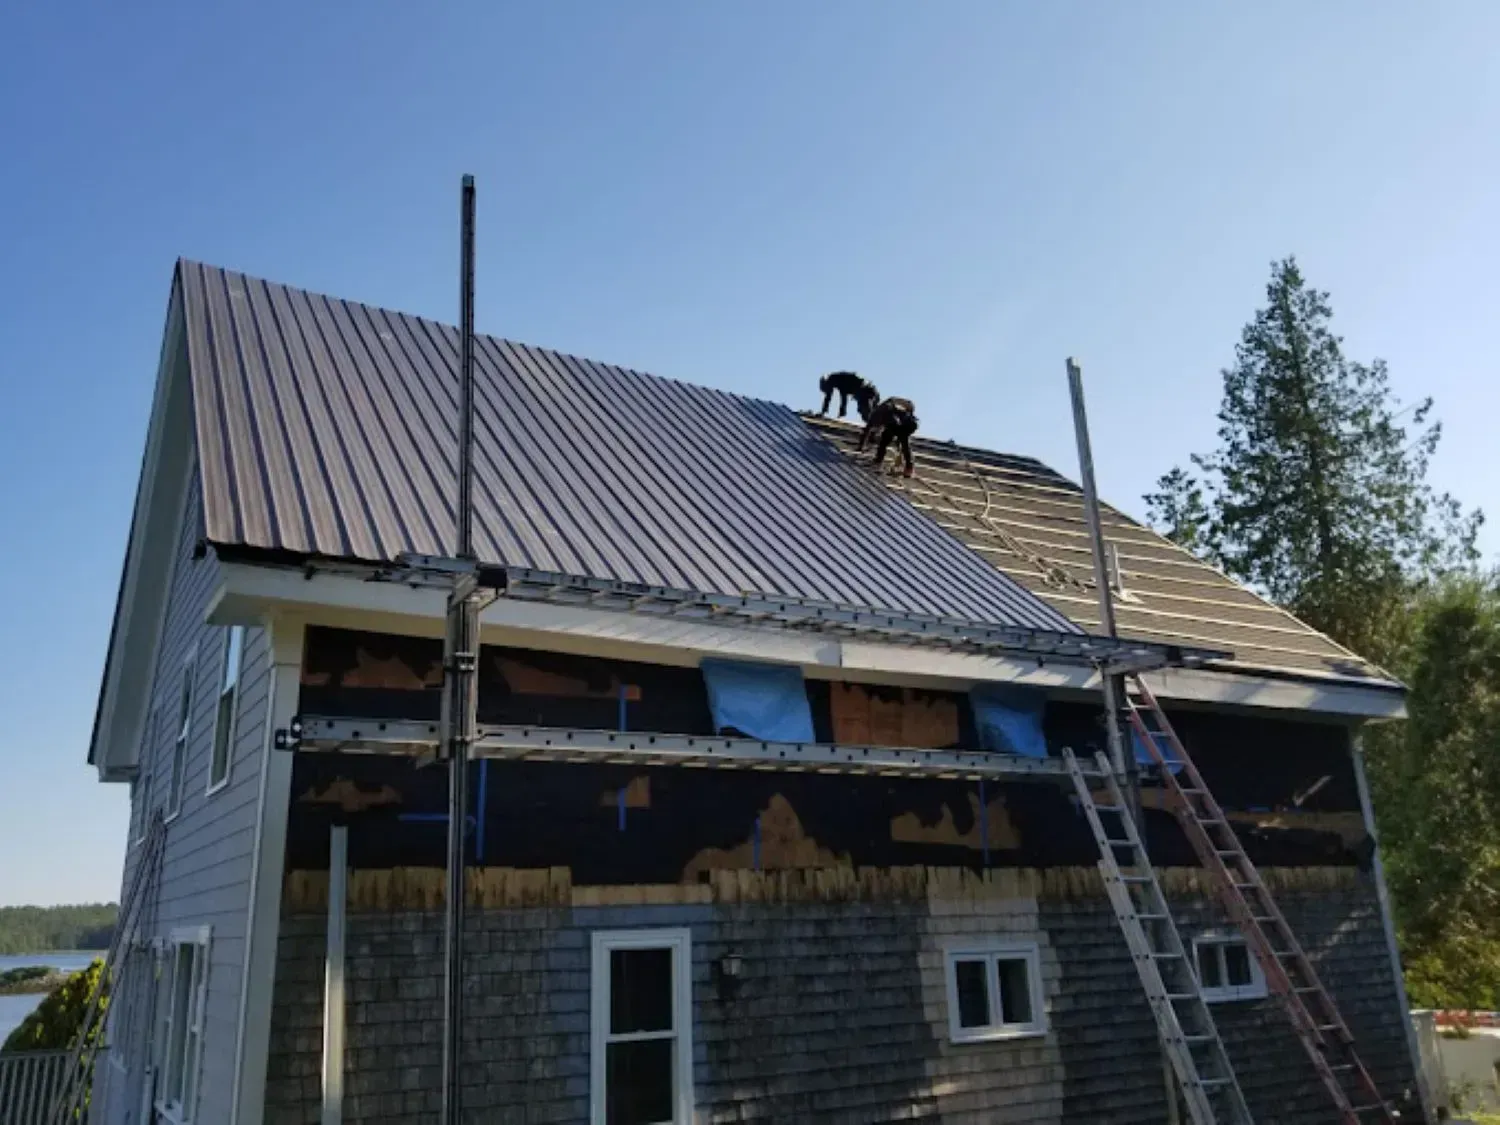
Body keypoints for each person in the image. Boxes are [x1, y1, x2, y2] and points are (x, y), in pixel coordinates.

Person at [859, 396, 919, 477]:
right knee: (885, 440)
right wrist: (862, 446)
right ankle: (878, 462)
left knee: (900, 441)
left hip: (907, 424)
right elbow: (868, 431)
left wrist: (862, 446)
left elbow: (868, 431)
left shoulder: (881, 414)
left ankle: (909, 468)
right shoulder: (880, 414)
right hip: (900, 423)